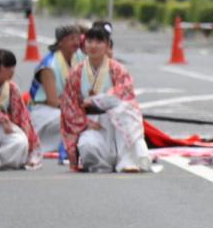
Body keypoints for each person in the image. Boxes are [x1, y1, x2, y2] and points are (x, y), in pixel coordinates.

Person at [59, 20, 151, 173]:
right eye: (90, 41)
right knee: (87, 146)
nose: (93, 46)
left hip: (116, 122)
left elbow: (125, 94)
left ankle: (126, 161)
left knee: (124, 112)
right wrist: (85, 123)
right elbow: (69, 105)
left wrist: (98, 100)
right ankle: (103, 164)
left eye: (99, 42)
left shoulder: (117, 69)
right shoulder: (77, 72)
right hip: (91, 122)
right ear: (84, 45)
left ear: (107, 45)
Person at [28, 23, 84, 154]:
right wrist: (76, 107)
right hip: (45, 110)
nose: (76, 42)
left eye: (77, 38)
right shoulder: (49, 66)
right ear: (60, 42)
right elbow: (52, 101)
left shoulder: (79, 57)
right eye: (71, 39)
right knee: (72, 119)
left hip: (70, 106)